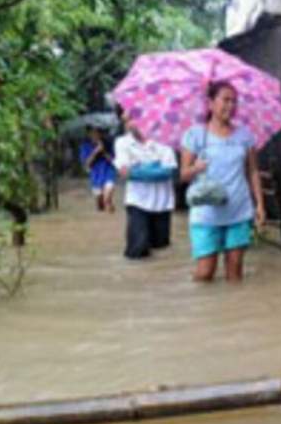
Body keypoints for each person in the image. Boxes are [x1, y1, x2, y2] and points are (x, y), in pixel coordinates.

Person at [180, 81, 265, 282]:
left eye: (234, 101)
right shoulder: (195, 135)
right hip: (206, 214)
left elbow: (253, 172)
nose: (231, 106)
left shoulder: (245, 136)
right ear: (210, 103)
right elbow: (183, 174)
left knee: (235, 274)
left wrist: (260, 204)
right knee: (205, 273)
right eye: (225, 100)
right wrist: (196, 168)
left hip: (238, 210)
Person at [113, 106, 177, 259]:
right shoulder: (122, 142)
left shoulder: (164, 139)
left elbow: (169, 172)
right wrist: (155, 167)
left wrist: (136, 170)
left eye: (133, 118)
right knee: (137, 250)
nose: (130, 124)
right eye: (127, 120)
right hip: (137, 202)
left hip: (162, 203)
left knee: (161, 247)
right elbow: (124, 172)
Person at [79, 126, 117, 212]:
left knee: (107, 195)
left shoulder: (108, 143)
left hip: (108, 171)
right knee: (100, 205)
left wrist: (103, 151)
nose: (95, 135)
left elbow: (113, 161)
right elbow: (86, 163)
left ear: (100, 134)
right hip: (95, 175)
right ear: (88, 134)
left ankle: (109, 204)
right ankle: (105, 204)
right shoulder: (85, 146)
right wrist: (96, 151)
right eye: (92, 133)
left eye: (97, 133)